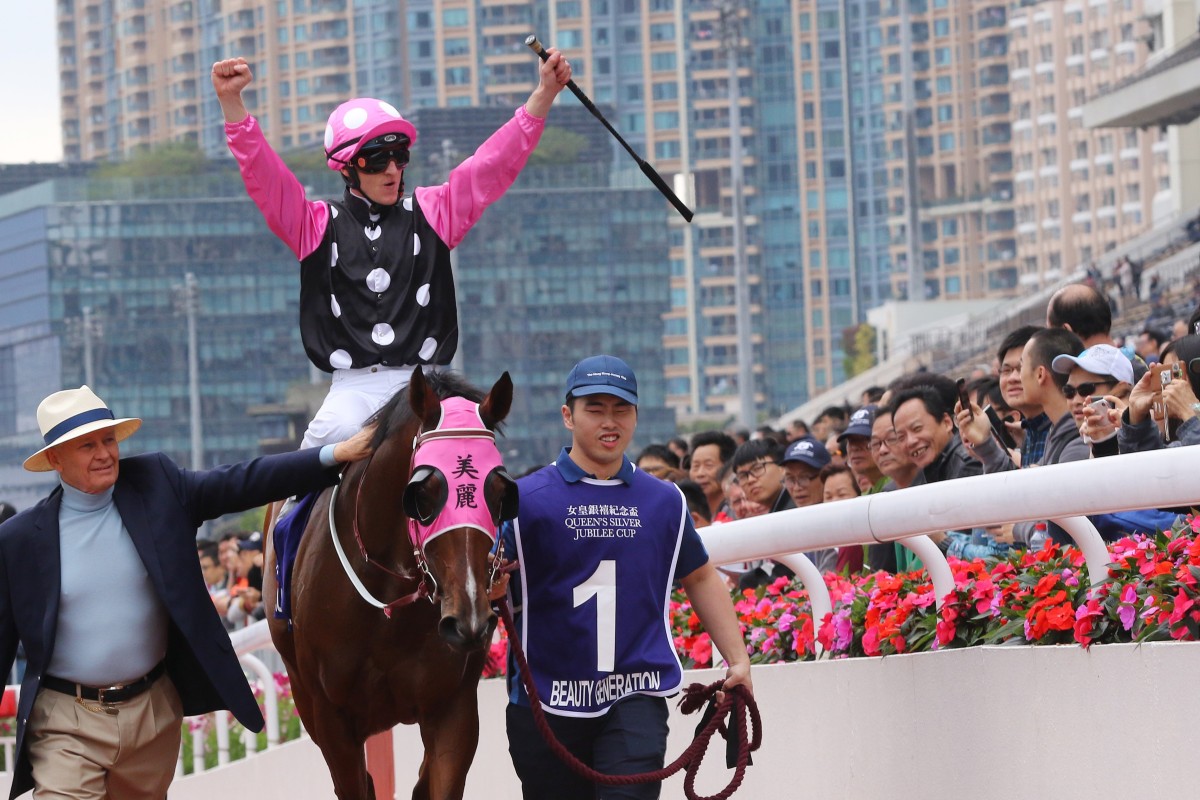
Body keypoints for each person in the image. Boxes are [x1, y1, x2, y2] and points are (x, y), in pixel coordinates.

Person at [0, 385, 374, 799]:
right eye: (87, 446)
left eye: (108, 440)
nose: (104, 453)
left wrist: (332, 455)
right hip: (65, 720)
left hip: (151, 713)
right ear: (54, 458)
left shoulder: (157, 485)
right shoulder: (17, 541)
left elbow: (242, 481)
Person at [211, 50, 572, 448]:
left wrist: (543, 95)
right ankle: (286, 513)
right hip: (351, 396)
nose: (392, 170)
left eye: (399, 156)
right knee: (311, 459)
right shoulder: (313, 225)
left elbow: (491, 166)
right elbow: (266, 177)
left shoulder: (435, 212)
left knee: (476, 460)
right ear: (345, 166)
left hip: (427, 388)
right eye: (376, 159)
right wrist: (233, 104)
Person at [501, 356, 752, 799]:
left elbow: (699, 576)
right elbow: (486, 587)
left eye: (621, 409)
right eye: (594, 409)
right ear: (568, 415)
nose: (609, 421)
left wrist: (737, 660)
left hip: (635, 695)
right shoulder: (523, 500)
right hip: (546, 700)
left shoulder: (665, 501)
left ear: (636, 415)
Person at [687, 430, 737, 521]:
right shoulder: (687, 512)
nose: (700, 473)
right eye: (695, 466)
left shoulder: (737, 510)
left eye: (708, 465)